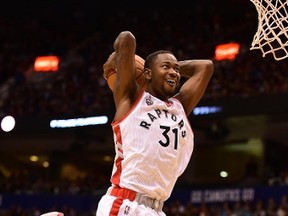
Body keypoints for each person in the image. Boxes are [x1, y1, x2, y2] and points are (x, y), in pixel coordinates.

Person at [96, 30, 213, 216]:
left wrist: (168, 68)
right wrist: (118, 58)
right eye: (166, 67)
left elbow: (205, 67)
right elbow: (127, 38)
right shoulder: (131, 99)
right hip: (125, 203)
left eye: (176, 69)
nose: (174, 73)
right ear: (147, 73)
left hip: (156, 209)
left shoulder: (179, 106)